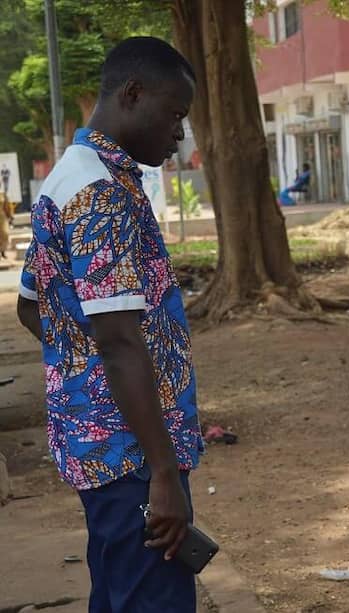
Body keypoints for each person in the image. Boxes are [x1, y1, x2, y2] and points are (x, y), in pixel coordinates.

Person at [16, 37, 203, 612]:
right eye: (174, 115)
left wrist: (81, 369)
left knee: (120, 594)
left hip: (110, 446)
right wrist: (163, 472)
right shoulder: (99, 195)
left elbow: (32, 302)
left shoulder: (76, 175)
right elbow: (121, 344)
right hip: (132, 458)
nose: (179, 134)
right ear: (132, 94)